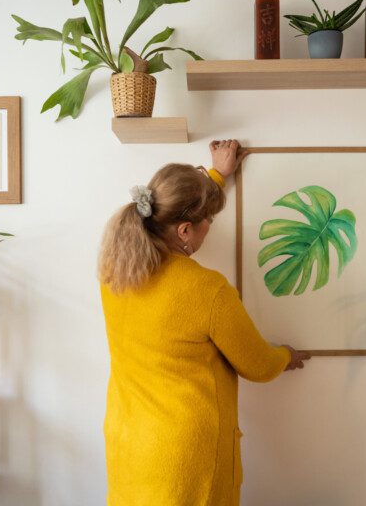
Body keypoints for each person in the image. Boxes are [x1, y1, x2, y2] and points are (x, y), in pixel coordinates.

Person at [98, 139, 311, 506]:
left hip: (129, 442)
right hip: (185, 457)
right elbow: (258, 365)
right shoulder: (206, 289)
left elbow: (173, 206)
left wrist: (215, 176)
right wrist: (284, 357)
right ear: (184, 230)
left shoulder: (115, 273)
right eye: (207, 220)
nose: (209, 226)